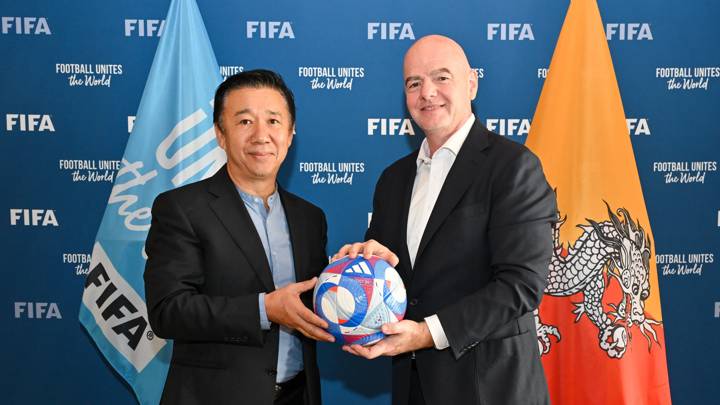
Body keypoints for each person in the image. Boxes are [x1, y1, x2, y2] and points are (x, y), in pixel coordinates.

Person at [333, 35, 556, 405]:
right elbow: (393, 283)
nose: (427, 93)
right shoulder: (393, 179)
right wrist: (366, 265)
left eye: (441, 78)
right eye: (414, 83)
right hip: (413, 388)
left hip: (491, 389)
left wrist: (426, 333)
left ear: (471, 83)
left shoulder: (513, 167)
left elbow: (521, 285)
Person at [144, 69, 334, 405]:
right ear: (220, 134)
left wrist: (356, 277)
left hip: (298, 396)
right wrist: (264, 309)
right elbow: (168, 311)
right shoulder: (181, 208)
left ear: (290, 134)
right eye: (245, 121)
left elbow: (313, 304)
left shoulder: (310, 218)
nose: (262, 135)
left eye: (274, 121)